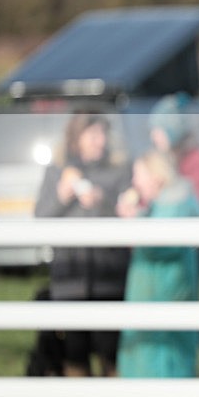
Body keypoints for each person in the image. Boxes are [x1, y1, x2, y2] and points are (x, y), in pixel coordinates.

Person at [34, 110, 132, 383]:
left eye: (103, 133)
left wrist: (103, 203)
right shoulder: (57, 172)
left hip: (108, 275)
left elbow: (128, 215)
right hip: (69, 274)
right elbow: (40, 217)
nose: (100, 140)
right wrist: (62, 197)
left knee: (109, 343)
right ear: (76, 137)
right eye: (94, 133)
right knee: (74, 345)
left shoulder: (119, 170)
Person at [115, 150, 199, 378]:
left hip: (167, 283)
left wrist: (132, 220)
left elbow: (163, 245)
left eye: (139, 174)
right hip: (159, 282)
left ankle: (168, 386)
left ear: (155, 176)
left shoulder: (175, 201)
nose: (135, 181)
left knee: (167, 335)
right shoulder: (165, 201)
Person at [148, 92, 199, 208]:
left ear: (174, 130)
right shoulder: (161, 159)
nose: (153, 136)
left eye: (159, 130)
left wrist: (160, 196)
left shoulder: (198, 160)